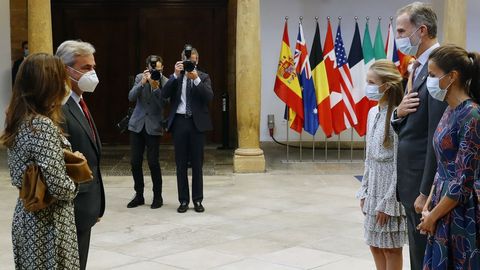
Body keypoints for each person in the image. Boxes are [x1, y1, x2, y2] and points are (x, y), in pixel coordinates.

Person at [1, 53, 79, 269]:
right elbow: (58, 186)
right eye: (61, 79)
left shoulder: (18, 119)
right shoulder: (41, 125)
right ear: (48, 84)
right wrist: (75, 185)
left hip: (27, 216)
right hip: (48, 223)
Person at [391, 3, 448, 269]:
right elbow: (409, 122)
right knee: (416, 248)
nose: (398, 38)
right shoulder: (416, 68)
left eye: (402, 31)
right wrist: (397, 115)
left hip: (423, 184)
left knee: (423, 252)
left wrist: (426, 191)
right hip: (410, 179)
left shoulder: (439, 70)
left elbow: (436, 138)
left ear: (421, 30)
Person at [416, 44, 480, 269]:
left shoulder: (472, 115)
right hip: (440, 204)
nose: (430, 81)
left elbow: (462, 183)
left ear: (452, 77)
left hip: (459, 211)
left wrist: (433, 216)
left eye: (433, 75)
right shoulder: (450, 109)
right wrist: (428, 207)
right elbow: (441, 165)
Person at [56, 40, 105, 270]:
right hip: (72, 209)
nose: (92, 73)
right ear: (67, 70)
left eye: (93, 67)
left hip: (86, 206)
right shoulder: (59, 108)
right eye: (86, 68)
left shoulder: (80, 101)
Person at [357, 60, 407, 270]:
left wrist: (389, 202)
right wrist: (364, 190)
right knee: (375, 246)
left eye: (371, 82)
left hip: (390, 191)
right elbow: (369, 157)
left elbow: (400, 162)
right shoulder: (371, 113)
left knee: (390, 248)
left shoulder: (398, 115)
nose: (367, 86)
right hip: (374, 186)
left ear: (386, 85)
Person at [162, 45, 213, 213]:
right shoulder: (176, 77)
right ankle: (183, 200)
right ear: (182, 60)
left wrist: (196, 78)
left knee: (197, 164)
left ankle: (198, 200)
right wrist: (175, 75)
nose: (191, 63)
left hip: (196, 123)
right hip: (180, 122)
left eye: (194, 60)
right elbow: (164, 94)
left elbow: (208, 97)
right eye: (188, 61)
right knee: (181, 164)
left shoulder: (203, 77)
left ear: (197, 61)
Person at [126, 55, 168, 209]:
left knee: (153, 162)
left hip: (154, 126)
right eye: (152, 68)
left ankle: (158, 196)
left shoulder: (166, 82)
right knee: (135, 162)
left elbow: (164, 102)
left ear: (162, 67)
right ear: (147, 67)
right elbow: (131, 97)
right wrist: (143, 83)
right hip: (137, 125)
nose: (155, 70)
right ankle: (139, 195)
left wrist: (155, 86)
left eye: (157, 68)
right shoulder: (139, 77)